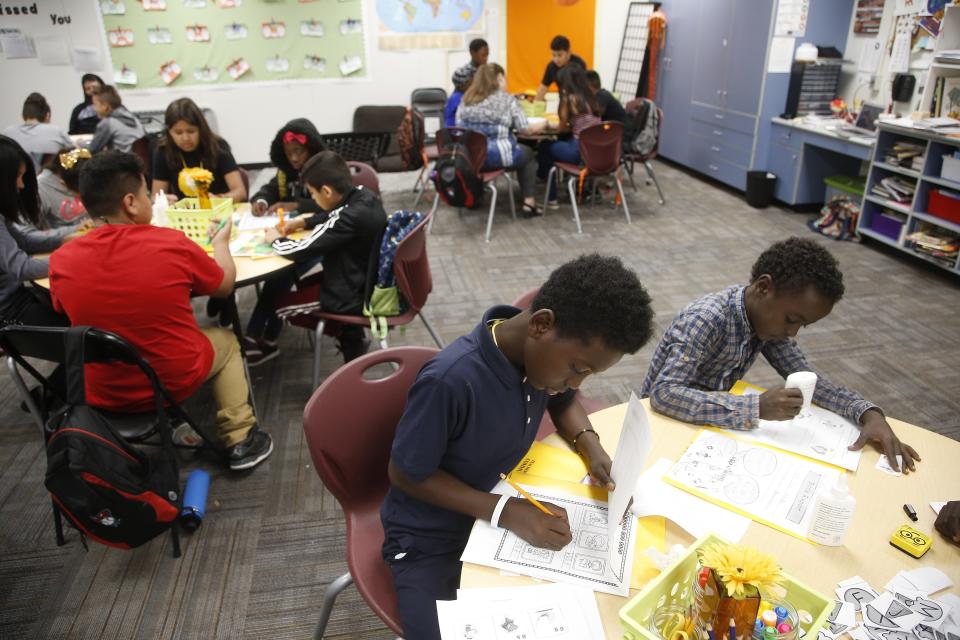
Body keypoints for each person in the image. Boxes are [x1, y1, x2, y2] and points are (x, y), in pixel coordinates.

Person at [381, 253, 655, 640]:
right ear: (541, 324)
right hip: (429, 537)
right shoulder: (451, 380)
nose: (577, 383)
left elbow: (563, 403)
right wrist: (504, 511)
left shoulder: (538, 364)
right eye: (578, 369)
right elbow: (406, 474)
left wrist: (590, 445)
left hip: (495, 503)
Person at [49, 151, 273, 471]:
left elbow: (63, 309)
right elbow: (223, 286)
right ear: (130, 202)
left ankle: (175, 425)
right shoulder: (170, 243)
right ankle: (240, 437)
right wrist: (220, 243)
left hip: (102, 388)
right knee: (225, 340)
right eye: (146, 195)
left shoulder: (62, 258)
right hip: (170, 379)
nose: (150, 202)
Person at [640, 237, 921, 473]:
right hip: (661, 424)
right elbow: (664, 395)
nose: (793, 333)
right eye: (791, 320)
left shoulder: (766, 324)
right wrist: (755, 407)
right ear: (764, 287)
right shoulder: (706, 319)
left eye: (802, 325)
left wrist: (867, 412)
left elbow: (808, 380)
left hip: (706, 425)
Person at [243, 150, 386, 365]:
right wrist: (303, 223)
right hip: (364, 278)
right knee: (301, 283)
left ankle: (348, 337)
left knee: (281, 305)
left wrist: (275, 240)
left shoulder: (347, 218)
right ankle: (351, 337)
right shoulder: (364, 196)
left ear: (326, 191)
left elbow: (302, 248)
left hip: (351, 295)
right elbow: (333, 215)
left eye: (312, 193)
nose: (312, 198)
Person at [0, 135, 74, 327]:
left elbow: (23, 240)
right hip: (8, 311)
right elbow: (22, 268)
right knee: (81, 328)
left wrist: (64, 239)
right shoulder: (45, 187)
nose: (21, 185)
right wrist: (72, 257)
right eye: (17, 176)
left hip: (18, 297)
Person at [456, 63, 545, 217]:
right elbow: (526, 129)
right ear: (499, 78)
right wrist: (545, 123)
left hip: (471, 158)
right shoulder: (507, 100)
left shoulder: (466, 100)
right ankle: (529, 202)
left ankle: (475, 196)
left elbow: (458, 126)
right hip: (497, 156)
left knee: (520, 152)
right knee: (528, 154)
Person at [151, 97, 246, 203]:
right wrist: (162, 200)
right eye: (178, 133)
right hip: (186, 213)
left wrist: (220, 199)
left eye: (191, 131)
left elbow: (240, 192)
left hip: (218, 210)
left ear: (201, 128)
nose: (185, 138)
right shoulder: (163, 151)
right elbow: (156, 196)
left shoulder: (218, 146)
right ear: (169, 132)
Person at [536, 65, 601, 208]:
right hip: (596, 153)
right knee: (553, 146)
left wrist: (549, 125)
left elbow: (561, 127)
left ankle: (551, 198)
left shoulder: (570, 98)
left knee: (545, 147)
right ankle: (544, 179)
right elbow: (580, 123)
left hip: (578, 152)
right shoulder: (591, 98)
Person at [250, 118, 325, 217]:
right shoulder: (285, 172)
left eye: (299, 151)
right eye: (288, 152)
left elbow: (334, 202)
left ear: (311, 149)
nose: (293, 158)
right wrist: (262, 201)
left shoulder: (325, 170)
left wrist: (297, 205)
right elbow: (271, 189)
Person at [3, 93, 74, 171]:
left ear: (23, 115)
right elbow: (76, 156)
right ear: (47, 115)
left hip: (13, 181)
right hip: (48, 181)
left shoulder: (7, 134)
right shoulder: (56, 132)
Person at [38, 147, 91, 230]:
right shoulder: (41, 188)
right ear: (63, 181)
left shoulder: (88, 174)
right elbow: (31, 234)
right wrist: (73, 231)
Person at [87, 85, 145, 154]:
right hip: (137, 162)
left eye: (95, 104)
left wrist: (79, 146)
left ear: (105, 106)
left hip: (121, 162)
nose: (94, 108)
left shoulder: (107, 123)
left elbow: (92, 150)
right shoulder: (131, 116)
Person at [533, 35, 587, 102]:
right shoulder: (551, 67)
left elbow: (585, 88)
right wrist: (535, 105)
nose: (556, 59)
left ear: (569, 52)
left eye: (559, 55)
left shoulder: (579, 64)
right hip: (563, 101)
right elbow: (543, 88)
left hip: (580, 101)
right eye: (553, 55)